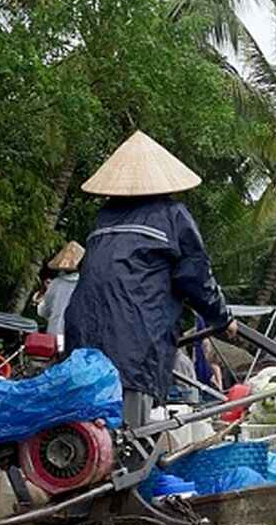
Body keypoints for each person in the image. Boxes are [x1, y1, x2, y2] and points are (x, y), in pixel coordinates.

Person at [64, 131, 236, 427]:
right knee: (129, 436)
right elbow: (196, 277)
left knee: (89, 426)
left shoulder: (104, 219)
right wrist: (223, 319)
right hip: (135, 340)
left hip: (81, 337)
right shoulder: (173, 216)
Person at [36, 240, 83, 347]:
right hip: (76, 336)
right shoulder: (86, 284)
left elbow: (44, 311)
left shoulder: (56, 284)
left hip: (54, 335)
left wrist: (40, 302)